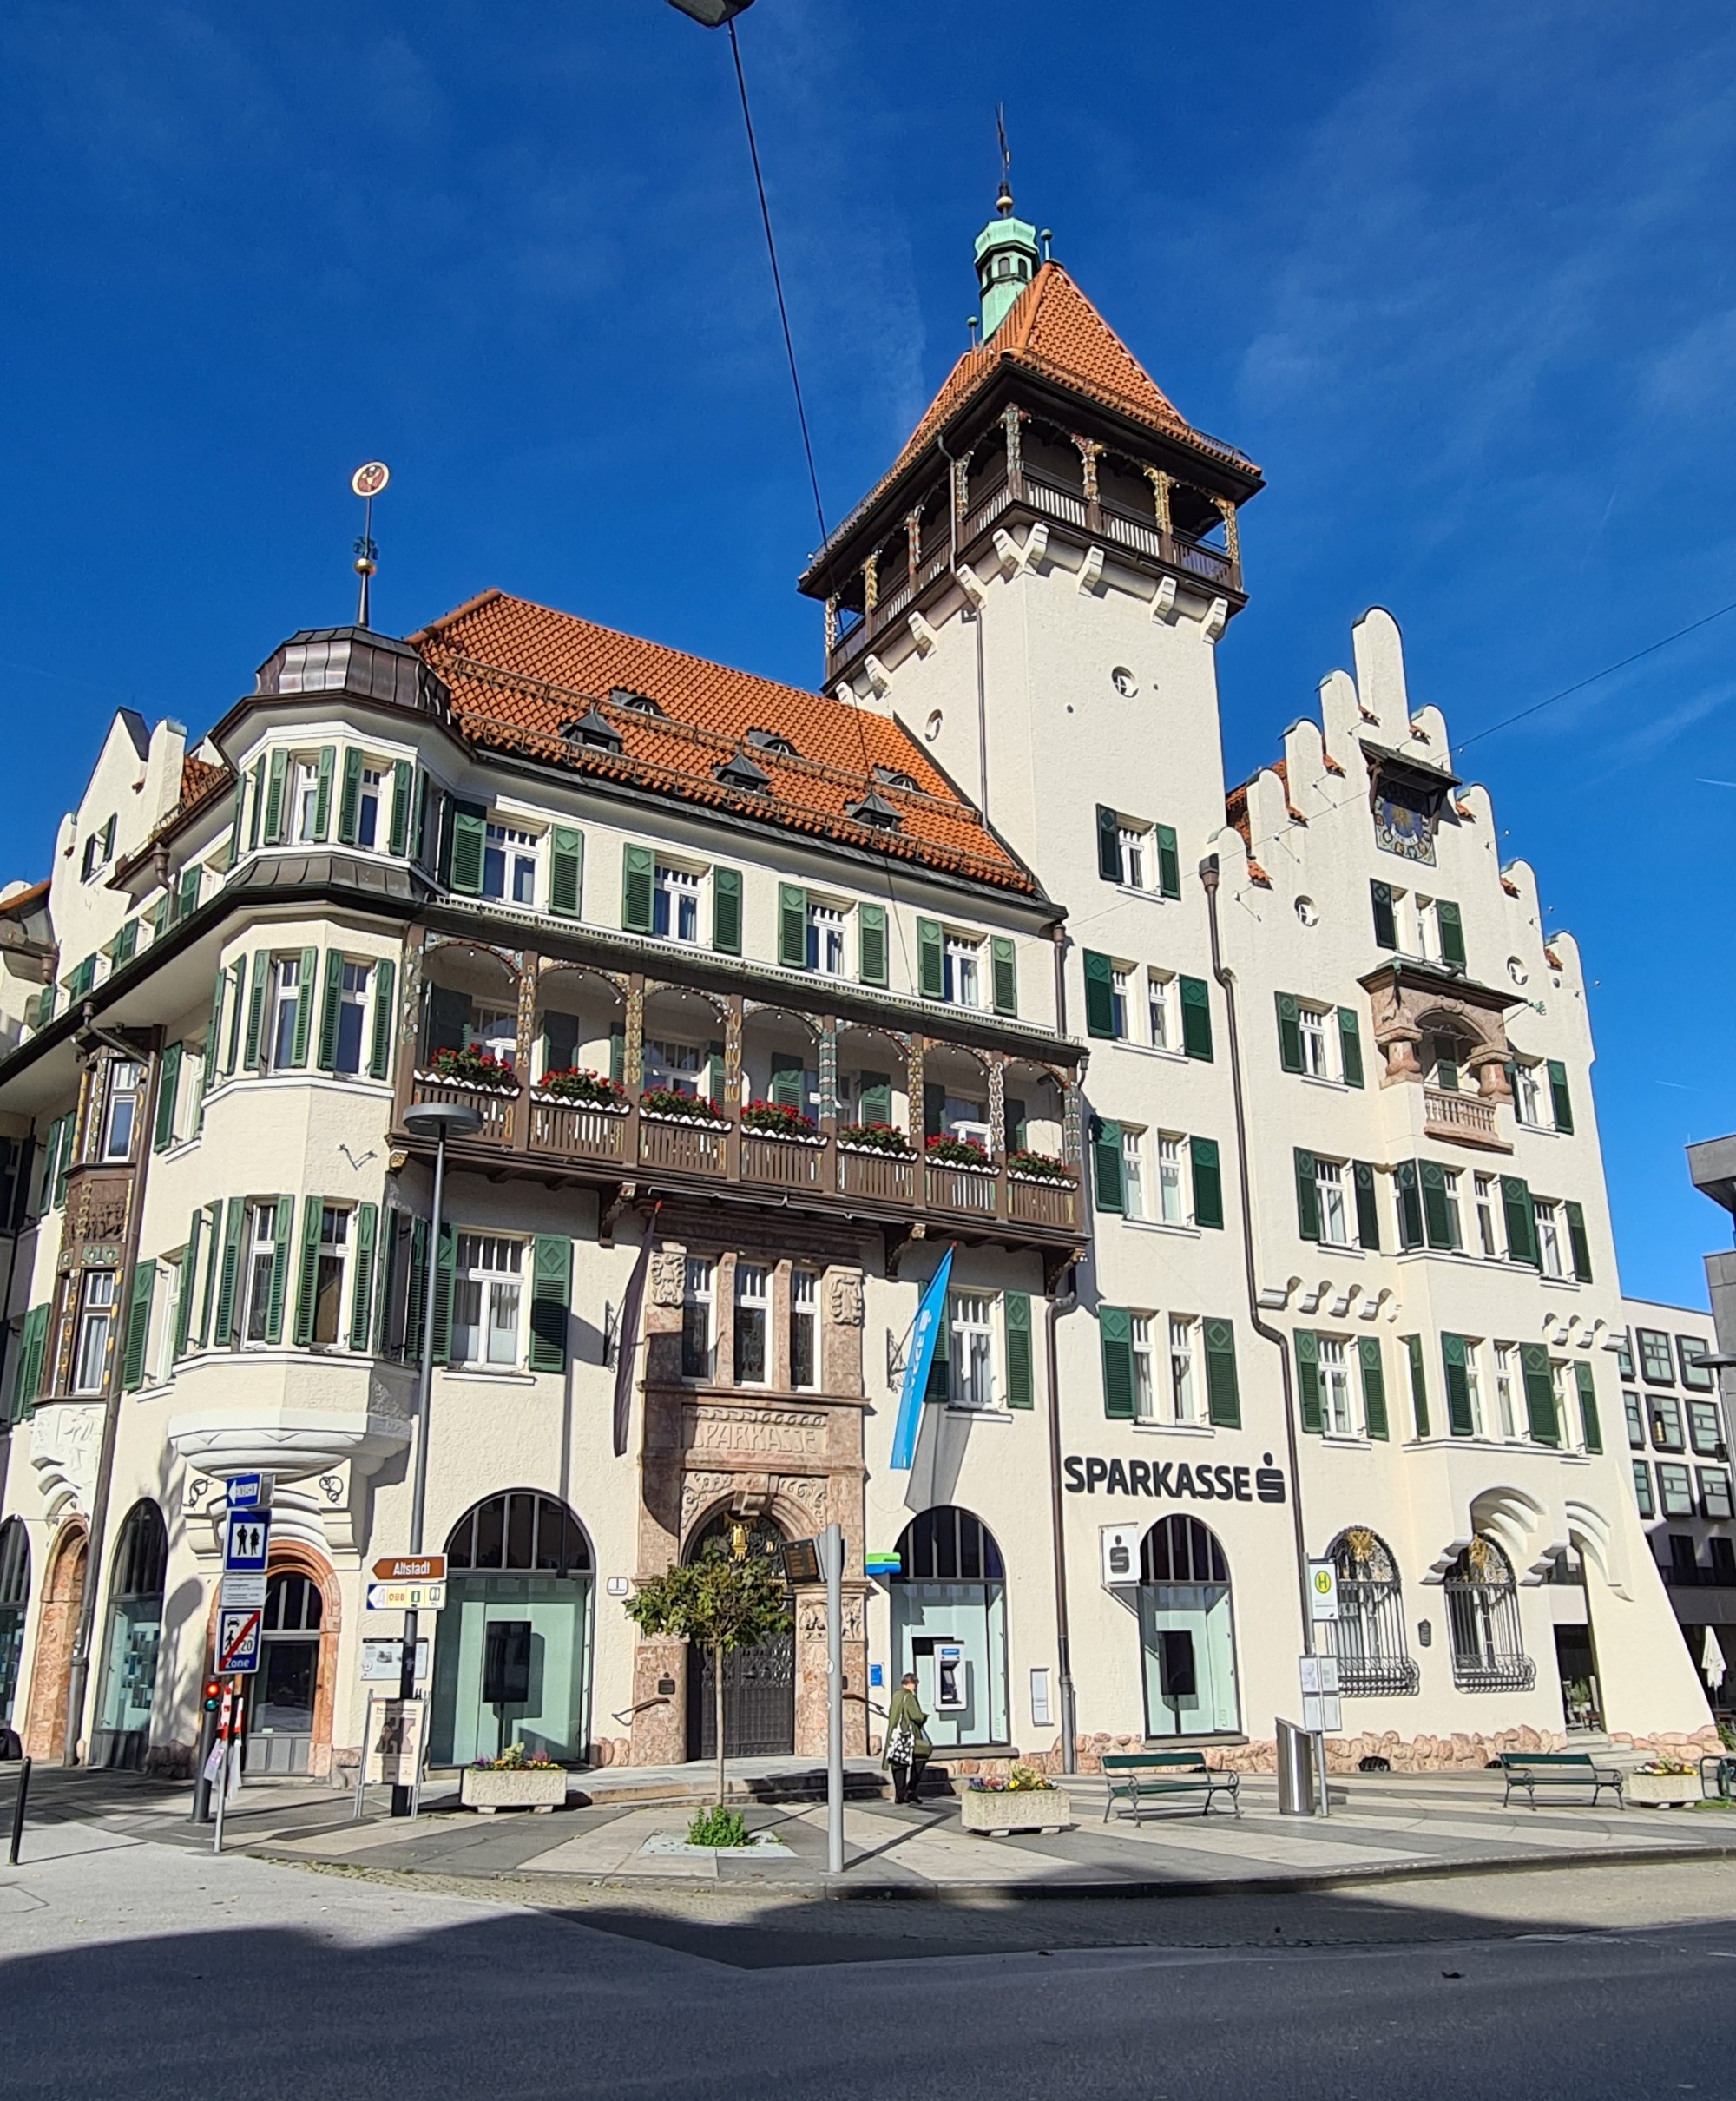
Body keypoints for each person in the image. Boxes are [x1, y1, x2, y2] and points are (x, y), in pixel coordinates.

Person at [882, 1671, 931, 1805]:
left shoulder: (896, 1695)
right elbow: (916, 1716)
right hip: (909, 1736)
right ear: (911, 1683)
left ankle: (900, 1794)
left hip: (896, 1735)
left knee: (898, 1763)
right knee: (920, 1759)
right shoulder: (909, 1697)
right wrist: (924, 1717)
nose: (915, 1687)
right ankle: (910, 1791)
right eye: (915, 1684)